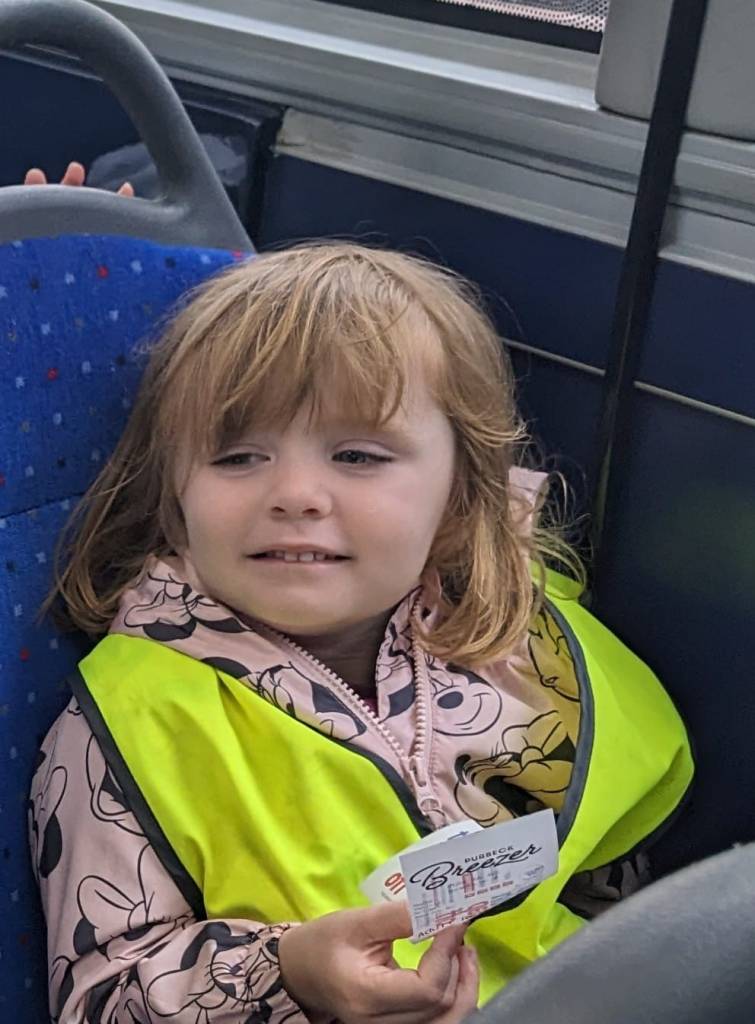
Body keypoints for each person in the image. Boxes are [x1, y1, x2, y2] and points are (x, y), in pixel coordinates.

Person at [26, 202, 693, 1024]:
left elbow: (615, 870)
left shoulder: (529, 640)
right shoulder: (126, 723)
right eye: (238, 457)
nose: (295, 495)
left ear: (461, 495)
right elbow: (100, 995)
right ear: (173, 501)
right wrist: (288, 976)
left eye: (356, 455)